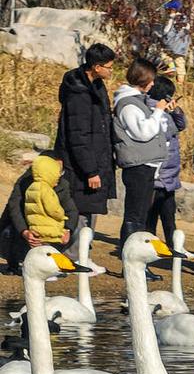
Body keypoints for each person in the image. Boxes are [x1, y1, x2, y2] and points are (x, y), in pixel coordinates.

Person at [54, 42, 115, 270]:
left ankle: (82, 253)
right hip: (82, 163)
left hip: (98, 156)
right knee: (79, 208)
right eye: (108, 67)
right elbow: (78, 135)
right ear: (96, 67)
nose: (111, 71)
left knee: (91, 208)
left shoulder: (97, 87)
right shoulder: (78, 94)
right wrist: (91, 170)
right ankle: (73, 256)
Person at [112, 58, 169, 254]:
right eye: (151, 80)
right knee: (135, 216)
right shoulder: (128, 104)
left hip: (146, 165)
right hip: (138, 166)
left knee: (141, 215)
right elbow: (143, 132)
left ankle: (137, 259)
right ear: (142, 79)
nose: (153, 84)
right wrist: (158, 112)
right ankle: (130, 258)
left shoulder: (137, 102)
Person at [0, 152, 78, 274]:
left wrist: (67, 230)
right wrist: (25, 232)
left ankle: (54, 264)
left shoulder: (62, 184)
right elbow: (14, 208)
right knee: (9, 232)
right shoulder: (25, 183)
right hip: (27, 226)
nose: (58, 173)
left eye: (60, 170)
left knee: (76, 231)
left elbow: (71, 211)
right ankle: (14, 263)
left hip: (50, 229)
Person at [144, 76, 186, 249]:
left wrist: (175, 111)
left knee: (169, 214)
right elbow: (165, 135)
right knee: (151, 215)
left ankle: (173, 243)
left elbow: (181, 126)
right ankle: (150, 245)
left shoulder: (166, 112)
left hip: (169, 174)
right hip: (158, 173)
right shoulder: (154, 112)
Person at [23, 155, 68, 245]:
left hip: (35, 228)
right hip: (48, 230)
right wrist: (62, 215)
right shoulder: (46, 189)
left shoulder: (31, 187)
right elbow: (52, 208)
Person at [161, 0, 190, 85]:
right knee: (180, 62)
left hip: (173, 42)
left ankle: (172, 68)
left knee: (164, 55)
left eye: (168, 9)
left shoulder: (172, 18)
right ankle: (180, 82)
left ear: (172, 9)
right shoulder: (184, 18)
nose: (167, 11)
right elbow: (187, 28)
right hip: (181, 45)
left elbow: (166, 31)